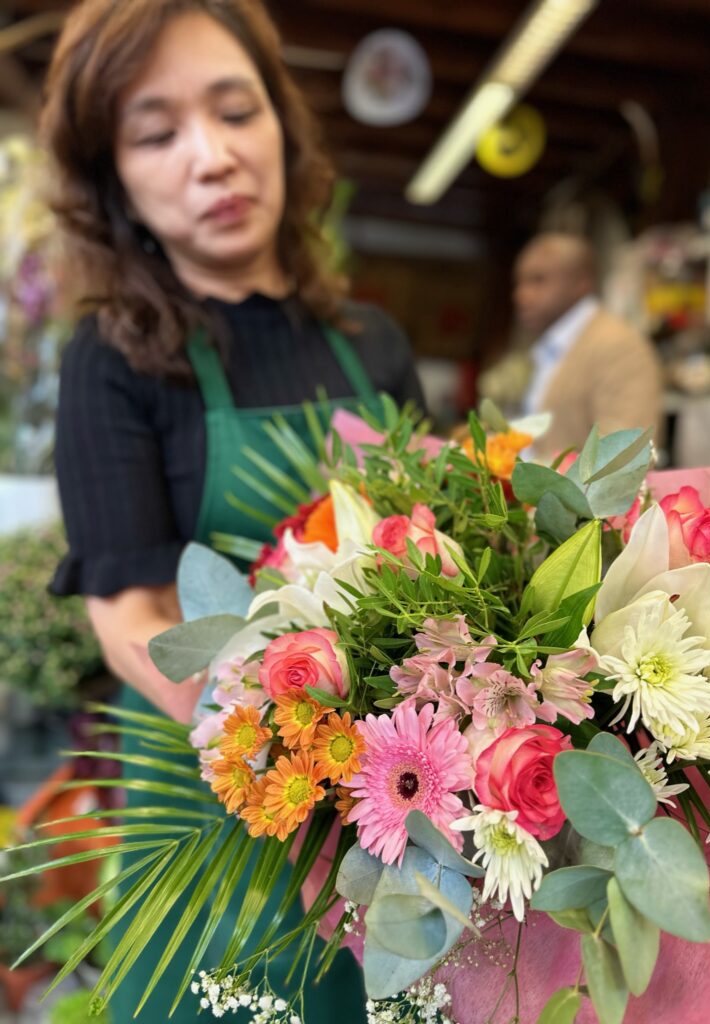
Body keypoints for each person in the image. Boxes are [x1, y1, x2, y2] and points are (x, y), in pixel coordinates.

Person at [43, 1, 423, 1020]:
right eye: (157, 134)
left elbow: (437, 554)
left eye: (235, 111)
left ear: (284, 131)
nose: (211, 158)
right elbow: (129, 619)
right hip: (221, 806)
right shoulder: (115, 357)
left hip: (396, 807)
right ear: (111, 178)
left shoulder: (372, 341)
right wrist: (294, 766)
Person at [479, 233, 661, 458]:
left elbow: (625, 456)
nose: (521, 295)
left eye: (538, 280)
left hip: (576, 494)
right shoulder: (553, 345)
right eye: (519, 282)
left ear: (581, 283)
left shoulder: (618, 345)